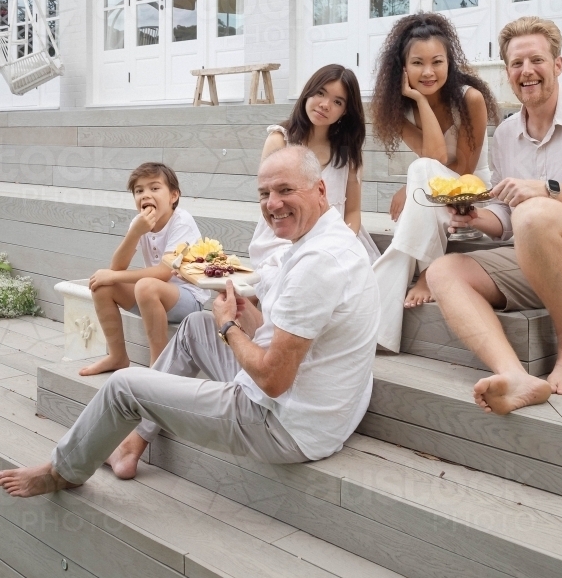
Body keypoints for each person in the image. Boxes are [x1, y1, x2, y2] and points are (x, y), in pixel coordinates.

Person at [0, 146, 381, 498]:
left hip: (285, 424)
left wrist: (230, 327)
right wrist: (246, 318)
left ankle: (61, 471)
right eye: (264, 194)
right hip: (319, 407)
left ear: (320, 190)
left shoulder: (318, 263)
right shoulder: (325, 241)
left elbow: (273, 380)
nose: (273, 204)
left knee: (124, 386)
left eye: (284, 190)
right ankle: (132, 444)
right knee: (198, 326)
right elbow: (295, 337)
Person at [426, 16, 562, 415]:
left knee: (536, 213)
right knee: (444, 271)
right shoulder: (506, 134)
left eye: (537, 60)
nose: (526, 71)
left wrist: (546, 189)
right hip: (545, 258)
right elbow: (508, 219)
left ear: (558, 65)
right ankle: (513, 375)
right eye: (516, 64)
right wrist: (478, 218)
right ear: (508, 74)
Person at [370, 13, 498, 352]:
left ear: (449, 62)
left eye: (437, 62)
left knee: (421, 171)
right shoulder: (399, 110)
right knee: (421, 170)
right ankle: (425, 268)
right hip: (432, 190)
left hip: (472, 191)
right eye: (417, 63)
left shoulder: (470, 99)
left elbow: (461, 169)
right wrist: (420, 102)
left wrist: (410, 189)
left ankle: (427, 272)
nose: (428, 72)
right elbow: (434, 158)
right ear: (402, 68)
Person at [249, 64, 379, 300]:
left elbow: (352, 211)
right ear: (308, 92)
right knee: (297, 279)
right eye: (320, 93)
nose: (325, 105)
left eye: (338, 102)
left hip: (336, 235)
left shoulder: (348, 152)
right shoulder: (280, 139)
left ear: (345, 112)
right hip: (284, 234)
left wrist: (340, 243)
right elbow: (269, 200)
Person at [78, 162, 205, 376]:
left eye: (154, 188)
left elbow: (165, 272)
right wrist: (135, 233)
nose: (146, 194)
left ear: (173, 196)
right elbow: (117, 267)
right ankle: (117, 357)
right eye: (139, 190)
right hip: (152, 297)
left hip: (188, 300)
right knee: (102, 286)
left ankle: (159, 364)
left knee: (146, 286)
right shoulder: (140, 223)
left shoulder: (181, 221)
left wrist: (115, 275)